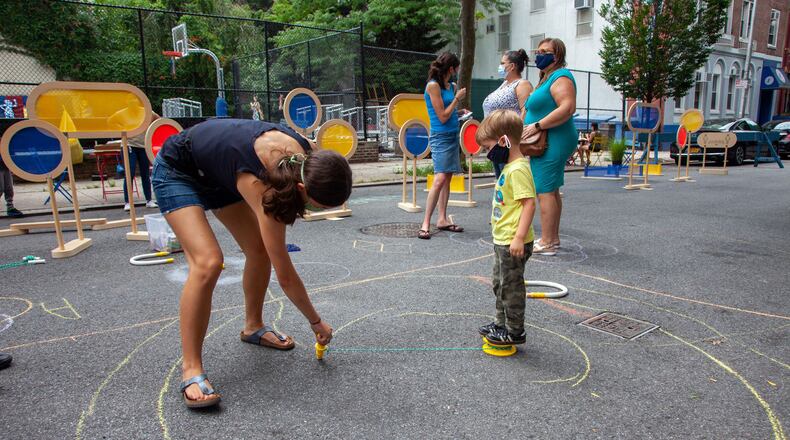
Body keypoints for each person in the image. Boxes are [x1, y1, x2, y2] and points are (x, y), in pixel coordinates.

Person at [152, 118, 352, 408]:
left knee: (257, 250)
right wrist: (316, 321)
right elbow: (285, 275)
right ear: (300, 187)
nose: (314, 212)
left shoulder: (307, 155)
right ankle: (191, 367)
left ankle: (253, 326)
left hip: (219, 172)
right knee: (208, 261)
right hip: (178, 169)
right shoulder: (267, 186)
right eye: (316, 206)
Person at [474, 110, 536, 345]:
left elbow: (529, 204)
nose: (486, 152)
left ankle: (515, 330)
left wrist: (519, 237)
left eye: (488, 147)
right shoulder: (508, 168)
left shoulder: (518, 169)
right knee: (499, 284)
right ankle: (500, 324)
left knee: (511, 288)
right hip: (502, 239)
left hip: (512, 241)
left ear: (504, 141)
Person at [520, 38, 577, 256]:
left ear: (557, 56)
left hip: (552, 139)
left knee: (543, 189)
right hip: (548, 139)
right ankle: (552, 238)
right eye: (538, 50)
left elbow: (568, 107)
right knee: (551, 189)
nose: (539, 54)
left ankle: (547, 241)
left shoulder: (561, 76)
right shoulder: (546, 78)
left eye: (545, 51)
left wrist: (537, 125)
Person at [418, 52, 469, 239]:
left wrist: (460, 111)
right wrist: (457, 99)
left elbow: (449, 113)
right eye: (456, 68)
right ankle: (425, 223)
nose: (457, 71)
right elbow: (441, 116)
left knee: (447, 177)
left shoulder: (451, 86)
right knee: (440, 178)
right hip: (440, 136)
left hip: (452, 134)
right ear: (451, 69)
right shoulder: (433, 86)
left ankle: (442, 219)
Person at [482, 49, 534, 178]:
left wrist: (516, 137)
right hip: (496, 141)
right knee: (501, 182)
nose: (500, 66)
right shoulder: (504, 84)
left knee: (508, 180)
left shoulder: (522, 84)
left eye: (502, 63)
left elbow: (525, 110)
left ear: (512, 66)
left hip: (508, 142)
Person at [123, 115, 159, 212]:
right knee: (129, 173)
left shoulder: (147, 111)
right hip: (129, 144)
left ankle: (149, 200)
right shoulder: (125, 112)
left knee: (145, 173)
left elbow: (158, 120)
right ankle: (128, 202)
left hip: (143, 145)